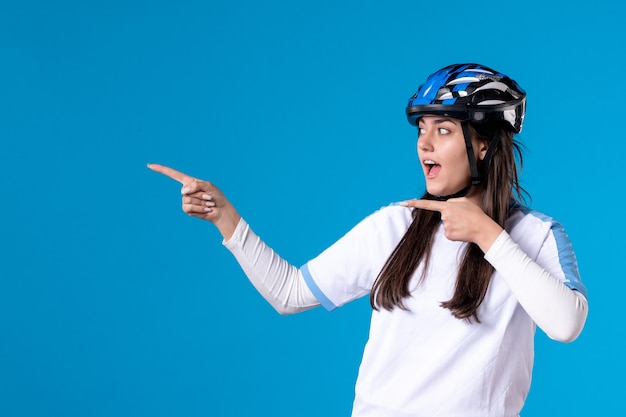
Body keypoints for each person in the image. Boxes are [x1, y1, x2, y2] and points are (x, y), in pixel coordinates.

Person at [148, 63, 588, 417]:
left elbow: (566, 325)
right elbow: (290, 293)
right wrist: (226, 216)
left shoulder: (535, 235)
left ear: (486, 144)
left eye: (444, 130)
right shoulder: (394, 225)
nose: (424, 145)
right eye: (422, 129)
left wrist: (487, 235)